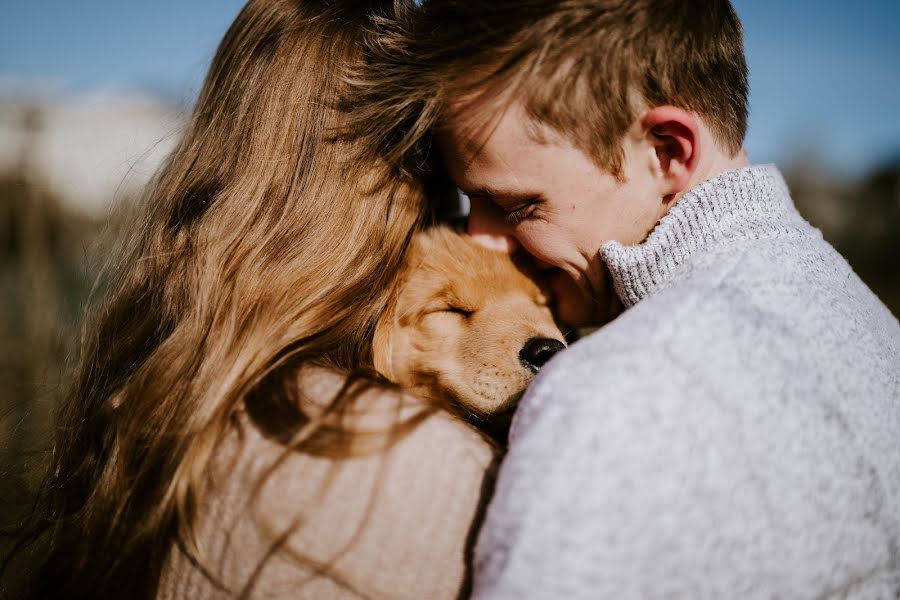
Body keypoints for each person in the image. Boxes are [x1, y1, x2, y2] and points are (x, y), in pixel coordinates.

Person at [350, 0, 900, 597]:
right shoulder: (866, 324)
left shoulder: (621, 389)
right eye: (468, 201)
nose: (483, 240)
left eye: (518, 205)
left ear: (667, 150)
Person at [4, 1, 498, 599]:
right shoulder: (419, 461)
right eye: (468, 197)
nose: (482, 235)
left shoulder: (150, 395)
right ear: (408, 189)